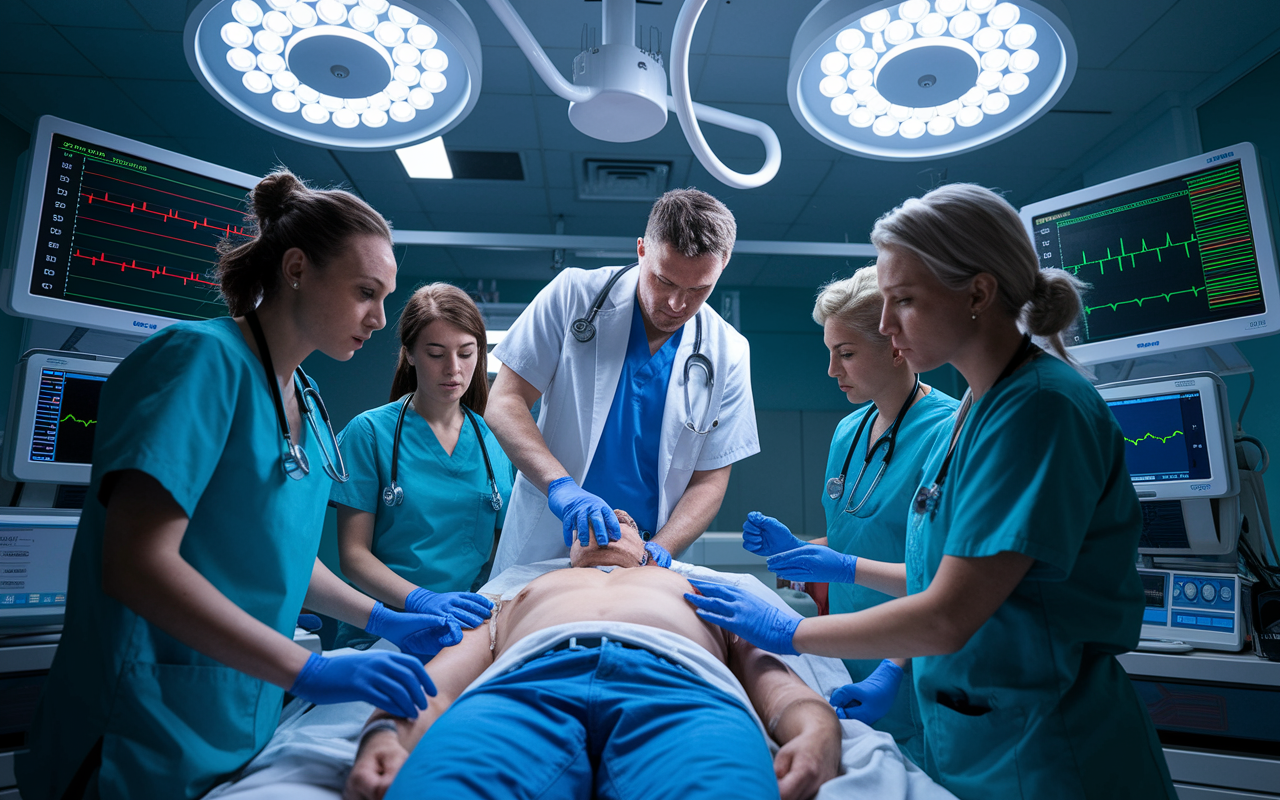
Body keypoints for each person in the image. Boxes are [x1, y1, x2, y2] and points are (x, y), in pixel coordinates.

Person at [686, 183, 1176, 799]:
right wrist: (832, 562)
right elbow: (938, 576)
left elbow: (947, 615)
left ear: (977, 293)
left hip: (1046, 749)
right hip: (973, 734)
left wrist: (790, 634)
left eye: (905, 301)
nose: (887, 324)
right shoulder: (980, 408)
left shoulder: (1039, 410)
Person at [17, 171, 470, 800]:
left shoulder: (306, 402)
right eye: (366, 292)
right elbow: (135, 565)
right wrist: (308, 670)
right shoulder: (198, 362)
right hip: (139, 724)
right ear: (296, 268)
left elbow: (280, 557)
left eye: (386, 297)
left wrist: (387, 617)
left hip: (237, 718)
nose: (379, 318)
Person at [344, 510, 842, 800]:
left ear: (647, 546)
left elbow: (779, 686)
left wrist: (817, 733)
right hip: (524, 687)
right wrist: (386, 732)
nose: (604, 524)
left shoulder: (702, 588)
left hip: (683, 689)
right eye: (587, 523)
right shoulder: (514, 596)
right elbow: (437, 685)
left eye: (621, 520)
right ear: (569, 547)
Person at [742, 265, 958, 765]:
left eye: (846, 354)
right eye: (830, 354)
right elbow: (861, 537)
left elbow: (944, 580)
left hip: (908, 669)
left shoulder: (946, 433)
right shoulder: (849, 432)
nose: (832, 371)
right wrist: (803, 551)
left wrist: (895, 667)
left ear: (895, 343)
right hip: (841, 657)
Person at [485, 189, 758, 573]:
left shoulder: (728, 350)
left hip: (648, 551)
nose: (677, 304)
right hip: (548, 540)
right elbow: (504, 402)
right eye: (664, 281)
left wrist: (661, 549)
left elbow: (710, 479)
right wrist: (560, 487)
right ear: (642, 249)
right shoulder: (574, 294)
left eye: (698, 289)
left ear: (723, 266)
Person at [330, 284, 512, 646]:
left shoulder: (495, 440)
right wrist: (421, 600)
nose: (454, 369)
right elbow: (353, 556)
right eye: (435, 353)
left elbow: (502, 549)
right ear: (410, 354)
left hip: (466, 630)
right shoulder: (369, 433)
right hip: (381, 630)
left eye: (466, 353)